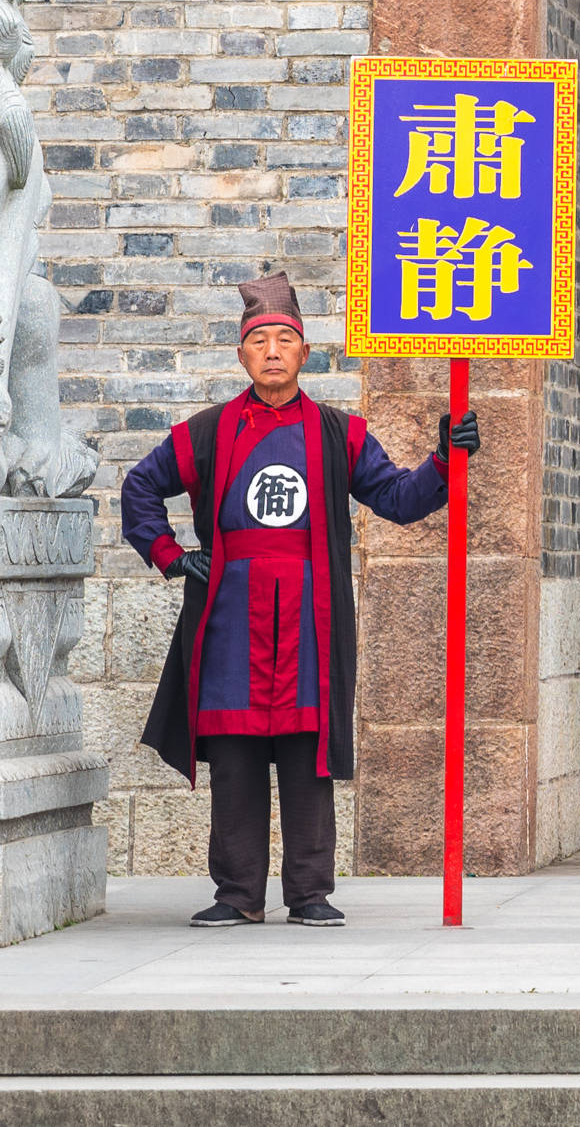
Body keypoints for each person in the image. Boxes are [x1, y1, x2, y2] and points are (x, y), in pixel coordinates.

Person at [121, 272, 475, 928]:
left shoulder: (338, 433)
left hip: (309, 624)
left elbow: (397, 497)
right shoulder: (208, 431)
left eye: (286, 338)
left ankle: (310, 890)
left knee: (306, 759)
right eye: (261, 340)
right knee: (235, 761)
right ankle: (238, 895)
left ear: (305, 353)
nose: (274, 350)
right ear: (243, 354)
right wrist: (171, 556)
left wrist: (444, 460)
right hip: (230, 622)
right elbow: (140, 486)